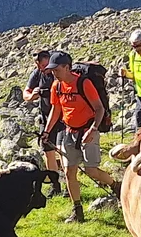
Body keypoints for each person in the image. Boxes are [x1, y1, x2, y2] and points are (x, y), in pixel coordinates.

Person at [43, 51, 118, 222]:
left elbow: (99, 108)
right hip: (68, 131)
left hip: (88, 130)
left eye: (57, 69)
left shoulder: (83, 83)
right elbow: (56, 110)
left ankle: (115, 185)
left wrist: (93, 129)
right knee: (70, 172)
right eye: (52, 70)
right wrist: (47, 131)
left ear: (67, 67)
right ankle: (78, 210)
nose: (54, 73)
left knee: (91, 170)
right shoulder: (57, 86)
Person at [22, 48, 61, 173]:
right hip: (45, 116)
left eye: (45, 65)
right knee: (48, 150)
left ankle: (68, 181)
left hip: (62, 117)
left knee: (61, 149)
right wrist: (32, 96)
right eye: (39, 66)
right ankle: (55, 183)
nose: (43, 69)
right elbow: (26, 93)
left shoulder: (57, 73)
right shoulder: (37, 73)